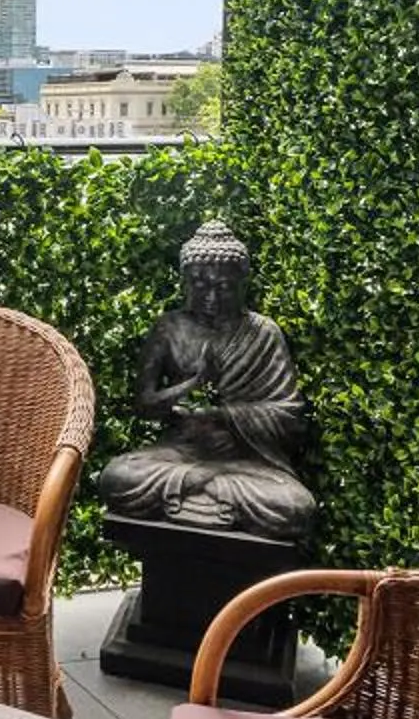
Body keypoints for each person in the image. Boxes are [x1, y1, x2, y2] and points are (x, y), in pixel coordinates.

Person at [93, 222, 316, 540]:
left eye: (223, 286)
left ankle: (197, 487)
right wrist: (193, 383)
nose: (211, 296)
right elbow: (144, 404)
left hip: (244, 462)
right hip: (179, 454)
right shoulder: (169, 328)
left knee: (296, 507)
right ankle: (211, 489)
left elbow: (290, 416)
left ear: (242, 283)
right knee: (116, 477)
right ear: (185, 282)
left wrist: (223, 416)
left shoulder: (263, 333)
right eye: (199, 285)